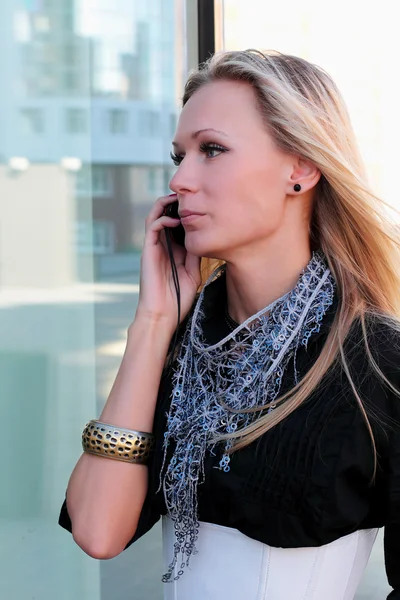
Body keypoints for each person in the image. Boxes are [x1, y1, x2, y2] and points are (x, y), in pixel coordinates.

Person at [58, 49, 400, 599]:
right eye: (179, 155)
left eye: (212, 150)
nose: (180, 179)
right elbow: (98, 532)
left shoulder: (377, 365)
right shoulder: (181, 346)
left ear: (302, 168)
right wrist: (151, 323)